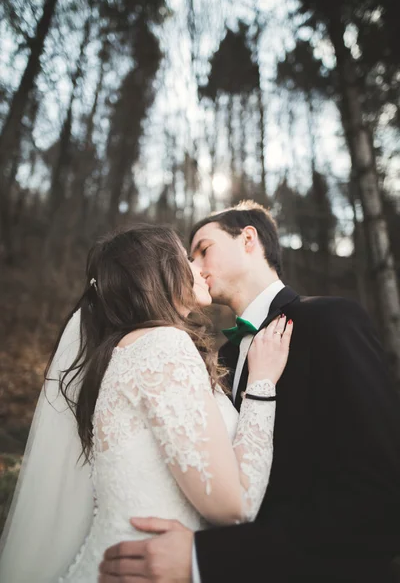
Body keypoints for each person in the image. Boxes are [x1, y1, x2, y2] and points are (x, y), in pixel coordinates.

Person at [99, 202, 400, 583]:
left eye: (203, 249)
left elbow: (381, 501)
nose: (194, 267)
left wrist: (204, 558)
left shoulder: (332, 321)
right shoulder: (215, 356)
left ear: (248, 239)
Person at [0, 222, 292, 583]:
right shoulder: (163, 347)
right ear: (160, 272)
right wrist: (262, 385)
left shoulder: (130, 351)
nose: (198, 267)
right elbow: (236, 506)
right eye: (187, 257)